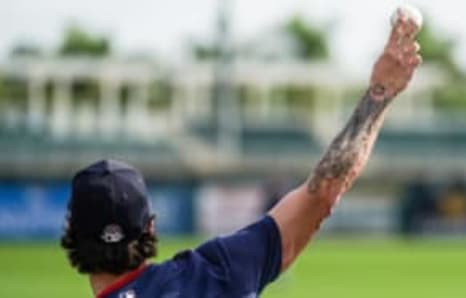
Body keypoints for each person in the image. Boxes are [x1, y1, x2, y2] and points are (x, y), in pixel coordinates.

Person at [61, 14, 422, 298]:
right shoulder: (219, 272)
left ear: (71, 234)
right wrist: (381, 91)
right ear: (151, 227)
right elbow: (325, 189)